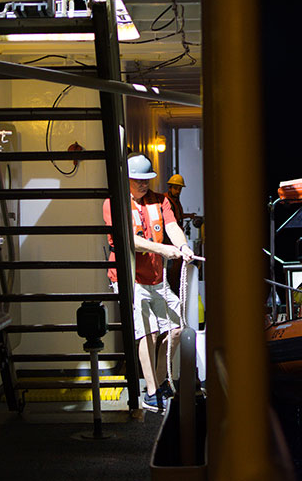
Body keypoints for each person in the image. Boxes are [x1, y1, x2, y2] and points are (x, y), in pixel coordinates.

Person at [103, 153, 194, 411]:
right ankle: (152, 392)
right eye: (138, 180)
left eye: (147, 180)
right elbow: (127, 239)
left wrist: (183, 246)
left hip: (156, 278)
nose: (144, 185)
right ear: (127, 179)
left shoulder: (160, 200)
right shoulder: (114, 204)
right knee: (148, 332)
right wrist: (162, 250)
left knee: (177, 328)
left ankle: (159, 379)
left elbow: (172, 227)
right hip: (130, 279)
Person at [162, 174, 196, 290]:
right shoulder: (166, 201)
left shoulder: (175, 201)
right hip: (169, 240)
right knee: (172, 270)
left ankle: (177, 291)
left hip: (177, 239)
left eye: (179, 189)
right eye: (175, 188)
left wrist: (189, 215)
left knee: (177, 269)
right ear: (170, 187)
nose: (178, 191)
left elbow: (178, 216)